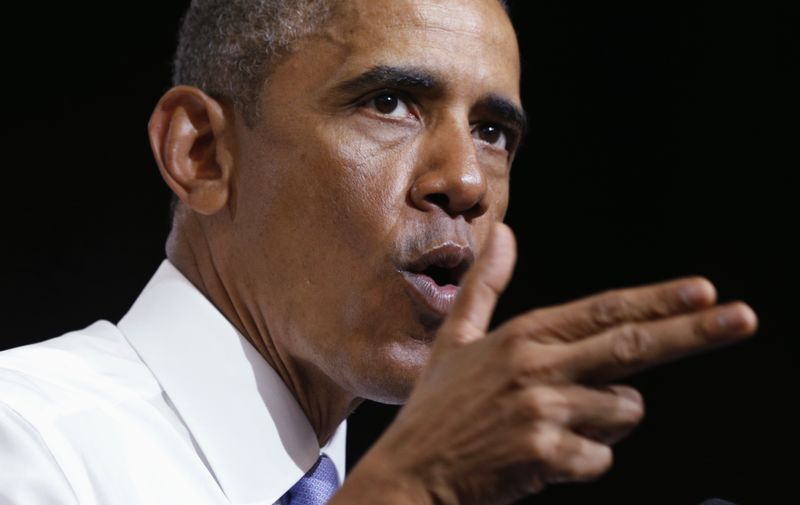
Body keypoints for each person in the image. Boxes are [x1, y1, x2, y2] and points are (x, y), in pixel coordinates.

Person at [0, 0, 759, 504]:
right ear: (201, 153)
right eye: (389, 102)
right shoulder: (28, 431)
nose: (466, 180)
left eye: (493, 131)